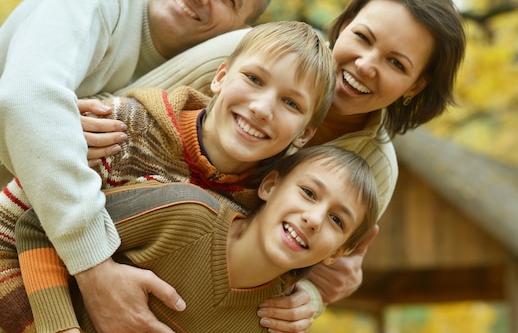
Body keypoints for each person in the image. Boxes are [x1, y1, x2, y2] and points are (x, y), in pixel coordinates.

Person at [82, 0, 467, 333]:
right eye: (363, 38)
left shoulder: (375, 168)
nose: (366, 65)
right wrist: (95, 269)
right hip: (97, 228)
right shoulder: (257, 54)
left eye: (396, 63)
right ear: (345, 23)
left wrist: (313, 297)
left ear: (416, 85)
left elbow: (318, 262)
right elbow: (121, 111)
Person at [0, 0, 276, 333]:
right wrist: (95, 268)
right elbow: (24, 101)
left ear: (238, 29)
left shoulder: (218, 100)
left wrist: (309, 288)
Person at [0, 20, 335, 333]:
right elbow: (5, 236)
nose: (262, 108)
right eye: (254, 79)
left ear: (304, 134)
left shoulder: (268, 211)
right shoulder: (122, 132)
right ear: (220, 76)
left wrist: (305, 292)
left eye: (291, 103)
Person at [17, 145, 379, 333]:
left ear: (339, 252)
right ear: (270, 185)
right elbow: (40, 225)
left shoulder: (271, 324)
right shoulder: (183, 210)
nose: (313, 219)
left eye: (336, 220)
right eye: (308, 193)